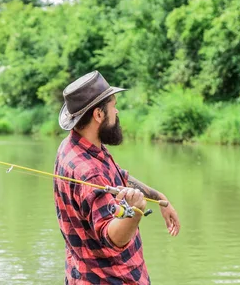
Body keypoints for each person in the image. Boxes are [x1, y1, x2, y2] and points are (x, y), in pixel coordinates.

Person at [53, 71, 180, 284]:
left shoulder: (72, 147)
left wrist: (159, 198)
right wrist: (136, 212)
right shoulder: (89, 171)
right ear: (99, 115)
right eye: (114, 106)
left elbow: (118, 177)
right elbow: (112, 238)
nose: (117, 111)